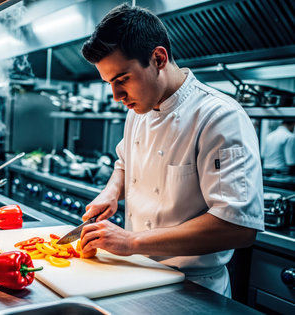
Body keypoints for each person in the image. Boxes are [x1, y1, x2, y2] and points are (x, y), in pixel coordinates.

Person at [79, 4, 264, 298]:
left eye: (122, 79)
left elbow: (237, 227)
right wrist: (111, 192)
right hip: (135, 278)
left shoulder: (219, 117)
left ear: (158, 58)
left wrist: (131, 242)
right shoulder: (137, 111)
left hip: (193, 289)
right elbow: (125, 163)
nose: (116, 96)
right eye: (109, 84)